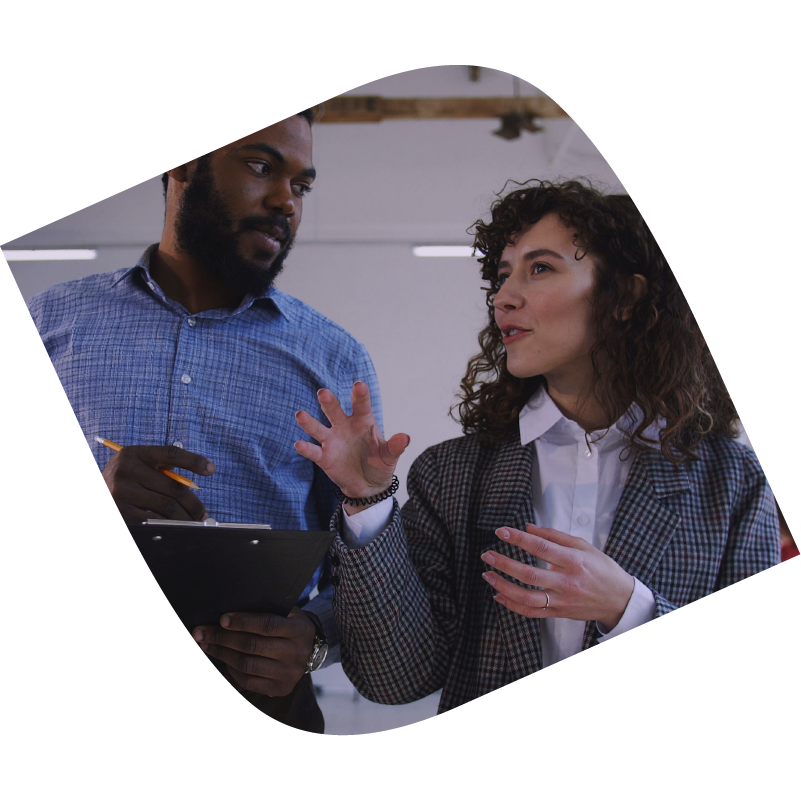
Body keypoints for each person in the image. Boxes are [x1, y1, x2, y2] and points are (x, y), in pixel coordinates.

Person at [294, 180, 781, 715]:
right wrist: (367, 500)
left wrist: (630, 609)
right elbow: (395, 679)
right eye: (503, 276)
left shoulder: (734, 481)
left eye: (540, 268)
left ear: (626, 297)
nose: (504, 296)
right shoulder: (451, 474)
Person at [28, 110, 383, 733]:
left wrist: (315, 637)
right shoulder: (47, 328)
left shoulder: (335, 360)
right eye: (260, 165)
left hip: (261, 708)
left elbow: (362, 562)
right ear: (182, 163)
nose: (285, 201)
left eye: (300, 185)